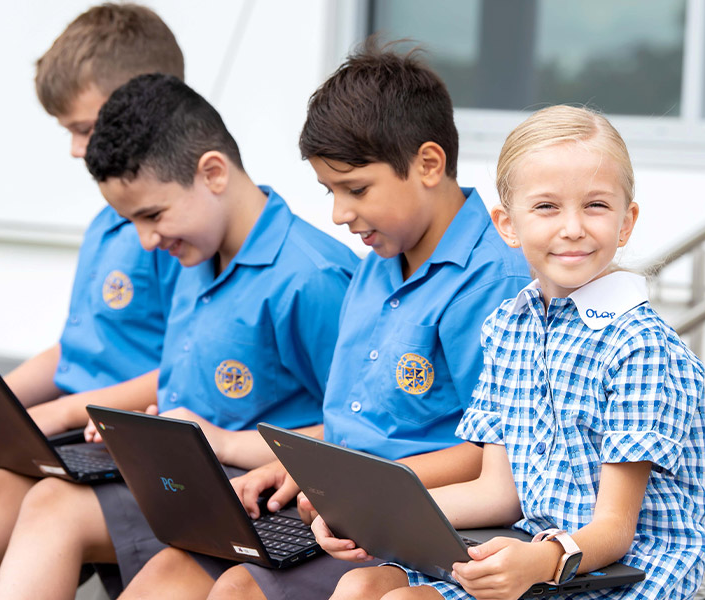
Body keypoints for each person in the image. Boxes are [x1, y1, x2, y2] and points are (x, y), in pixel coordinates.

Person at [118, 39, 530, 600]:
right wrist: (302, 470)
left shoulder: (494, 282)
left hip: (422, 526)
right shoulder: (376, 266)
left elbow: (495, 455)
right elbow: (351, 428)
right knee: (168, 573)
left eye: (356, 189)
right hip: (342, 508)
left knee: (236, 589)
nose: (340, 214)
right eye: (329, 191)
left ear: (429, 164)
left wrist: (344, 487)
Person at [0, 72, 357, 600]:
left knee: (57, 512)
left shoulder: (312, 278)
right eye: (131, 222)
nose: (146, 240)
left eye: (153, 215)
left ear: (212, 173)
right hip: (179, 484)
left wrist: (225, 442)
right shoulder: (192, 253)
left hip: (261, 502)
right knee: (34, 497)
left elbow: (356, 436)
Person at [318, 105, 705, 600]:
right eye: (546, 207)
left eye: (595, 206)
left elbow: (615, 530)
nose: (572, 228)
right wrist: (367, 515)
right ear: (507, 224)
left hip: (625, 573)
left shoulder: (643, 348)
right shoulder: (508, 326)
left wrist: (541, 562)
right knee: (360, 584)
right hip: (534, 550)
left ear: (626, 222)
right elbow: (498, 493)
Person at [0, 5, 184, 599]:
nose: (80, 150)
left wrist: (61, 412)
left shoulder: (179, 230)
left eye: (85, 129)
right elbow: (77, 350)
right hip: (79, 428)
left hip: (132, 442)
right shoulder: (106, 225)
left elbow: (188, 371)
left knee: (34, 502)